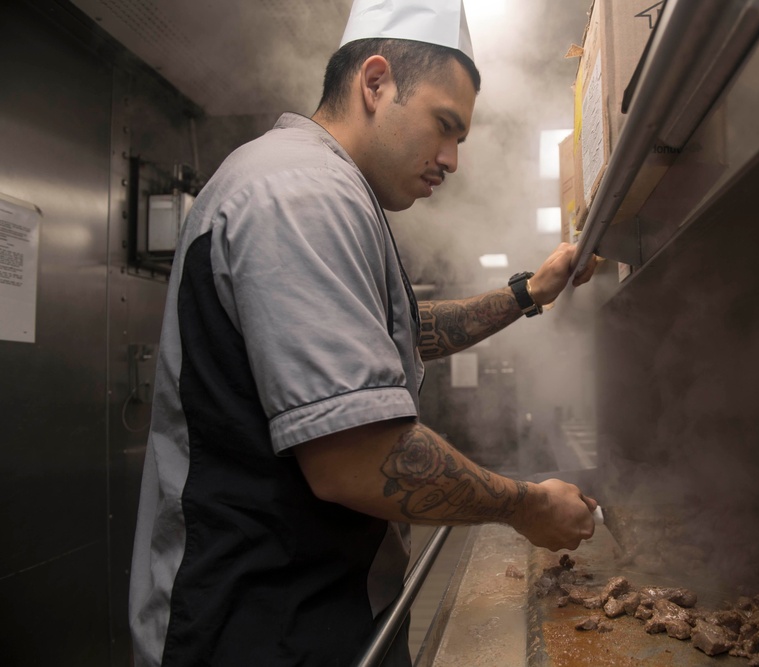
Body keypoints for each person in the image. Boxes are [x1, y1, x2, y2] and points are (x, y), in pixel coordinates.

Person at [128, 1, 599, 665]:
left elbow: (398, 333)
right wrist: (525, 505)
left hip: (311, 611)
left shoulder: (323, 187)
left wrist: (528, 293)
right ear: (375, 83)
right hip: (257, 630)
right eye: (446, 126)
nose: (453, 159)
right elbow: (360, 457)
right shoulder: (300, 195)